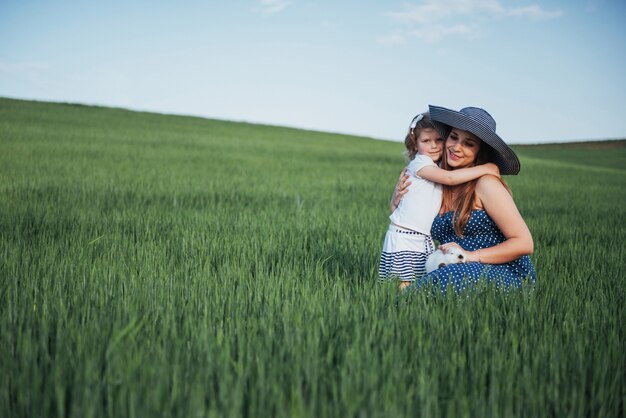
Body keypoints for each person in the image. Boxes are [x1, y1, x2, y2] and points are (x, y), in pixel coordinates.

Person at [405, 105, 537, 295]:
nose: (456, 147)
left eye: (469, 143)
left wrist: (470, 256)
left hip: (504, 272)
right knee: (424, 279)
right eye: (454, 137)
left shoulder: (485, 184)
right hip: (455, 267)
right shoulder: (438, 185)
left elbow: (524, 243)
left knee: (446, 279)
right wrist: (397, 195)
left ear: (480, 152)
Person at [379, 112, 500, 289]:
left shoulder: (434, 168)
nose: (433, 146)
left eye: (438, 140)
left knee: (419, 282)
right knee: (405, 285)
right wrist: (486, 168)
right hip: (406, 237)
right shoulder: (420, 164)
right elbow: (450, 178)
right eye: (426, 141)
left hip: (421, 238)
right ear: (415, 143)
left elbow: (399, 207)